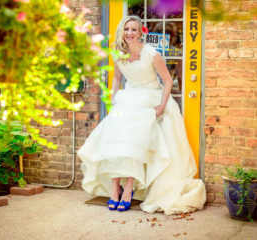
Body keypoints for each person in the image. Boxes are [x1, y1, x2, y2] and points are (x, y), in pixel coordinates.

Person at [77, 15, 206, 214]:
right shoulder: (117, 54)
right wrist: (113, 99)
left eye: (134, 29)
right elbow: (117, 79)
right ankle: (114, 187)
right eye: (126, 29)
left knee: (136, 138)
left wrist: (162, 106)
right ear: (122, 31)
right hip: (128, 98)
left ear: (140, 33)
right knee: (114, 135)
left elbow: (167, 81)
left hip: (150, 98)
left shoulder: (151, 53)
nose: (130, 33)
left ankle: (128, 188)